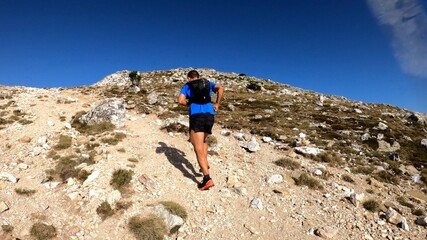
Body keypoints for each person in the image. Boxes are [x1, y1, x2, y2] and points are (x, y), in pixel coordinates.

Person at [177, 70, 224, 190]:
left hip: (196, 115)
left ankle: (207, 179)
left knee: (197, 147)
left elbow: (180, 100)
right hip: (209, 114)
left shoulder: (187, 86)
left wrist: (190, 103)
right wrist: (217, 104)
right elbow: (221, 88)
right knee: (201, 140)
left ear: (188, 78)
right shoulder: (207, 83)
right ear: (198, 77)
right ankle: (205, 164)